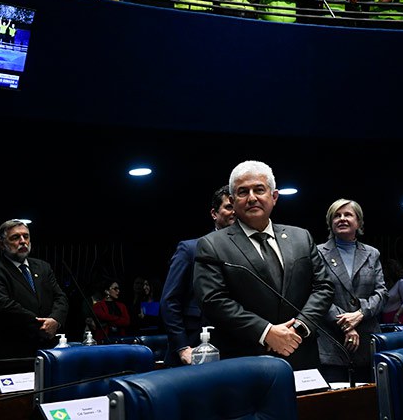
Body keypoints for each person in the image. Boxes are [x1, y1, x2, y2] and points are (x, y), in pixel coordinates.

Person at [193, 160, 334, 371]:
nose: (252, 198)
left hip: (301, 353)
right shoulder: (212, 245)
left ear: (274, 196)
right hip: (245, 360)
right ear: (232, 200)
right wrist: (266, 332)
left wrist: (298, 328)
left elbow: (324, 286)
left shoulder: (300, 237)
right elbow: (213, 300)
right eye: (243, 192)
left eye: (259, 189)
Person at [160, 185, 235, 366]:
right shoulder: (190, 249)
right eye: (228, 207)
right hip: (194, 346)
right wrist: (182, 347)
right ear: (214, 213)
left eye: (237, 207)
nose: (234, 212)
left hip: (233, 346)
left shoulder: (250, 253)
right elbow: (169, 301)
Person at [316, 199, 387, 383]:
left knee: (370, 404)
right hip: (332, 343)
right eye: (336, 216)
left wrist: (360, 313)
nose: (342, 219)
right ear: (330, 223)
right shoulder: (317, 253)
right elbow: (316, 294)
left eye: (348, 215)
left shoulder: (372, 253)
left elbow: (381, 293)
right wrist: (346, 323)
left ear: (359, 222)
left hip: (367, 342)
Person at [0, 220, 69, 359]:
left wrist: (55, 320)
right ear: (2, 244)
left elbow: (60, 297)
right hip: (12, 354)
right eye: (15, 237)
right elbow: (5, 308)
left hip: (47, 350)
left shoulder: (43, 267)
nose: (23, 241)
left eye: (26, 236)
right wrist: (43, 326)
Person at [381, 259, 403, 324]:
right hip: (386, 317)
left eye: (385, 270)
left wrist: (397, 314)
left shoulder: (400, 283)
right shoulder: (384, 284)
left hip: (399, 316)